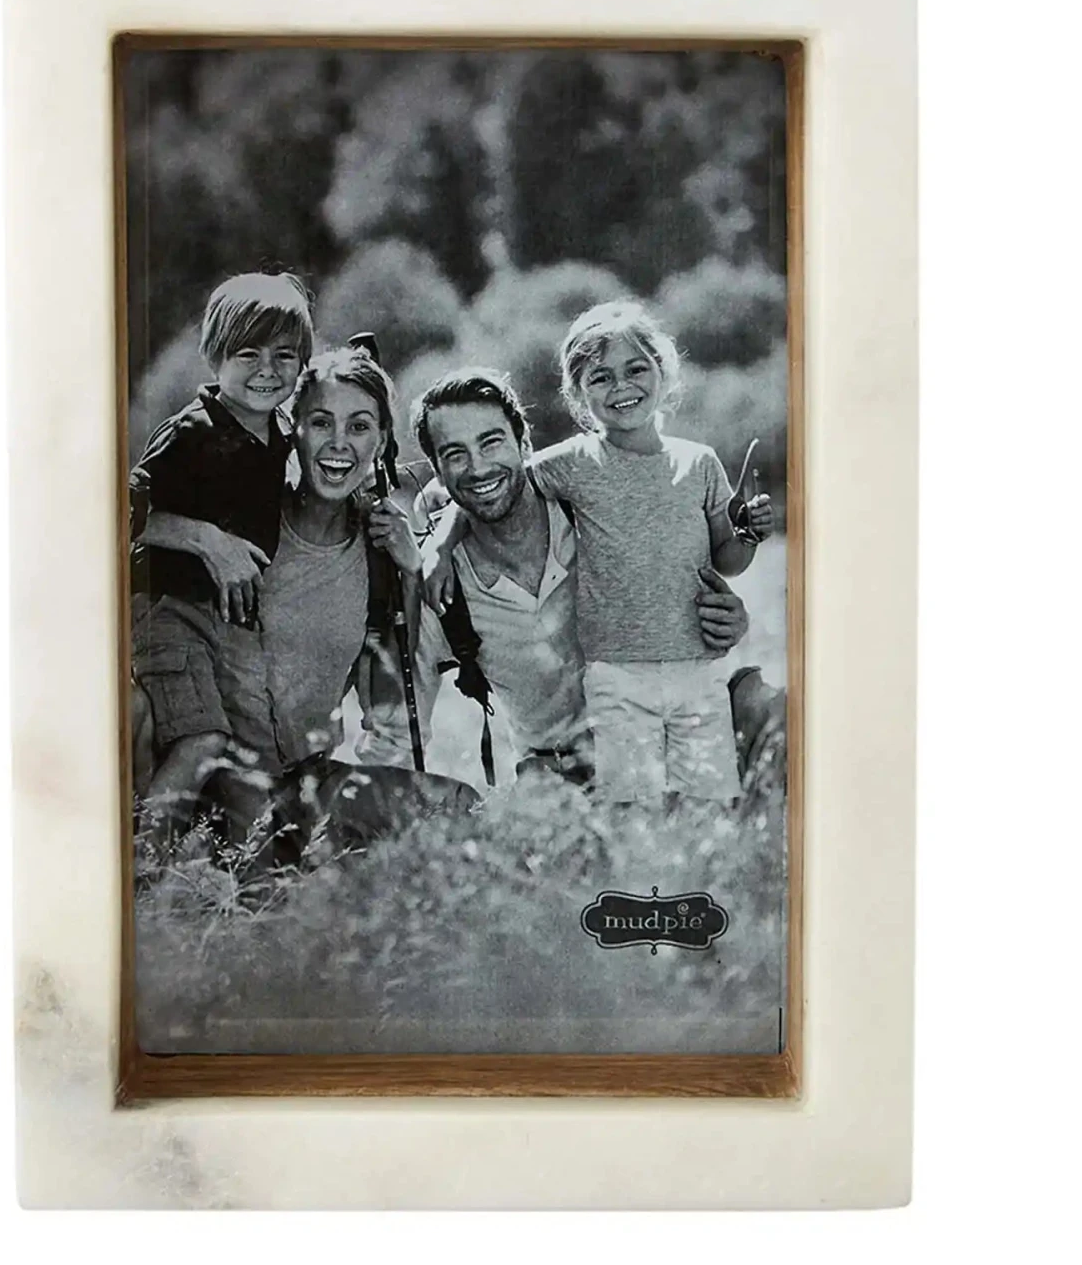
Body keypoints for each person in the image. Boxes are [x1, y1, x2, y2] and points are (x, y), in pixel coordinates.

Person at [426, 306, 774, 817]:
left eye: (636, 369)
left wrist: (747, 538)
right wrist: (440, 543)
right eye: (601, 377)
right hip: (613, 689)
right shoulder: (574, 465)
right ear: (578, 395)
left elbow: (728, 557)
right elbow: (493, 483)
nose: (621, 387)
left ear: (663, 371)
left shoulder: (698, 462)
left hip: (693, 667)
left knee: (713, 799)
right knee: (634, 810)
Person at [135, 347, 476, 857]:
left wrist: (410, 570)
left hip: (304, 782)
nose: (339, 443)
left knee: (459, 805)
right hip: (215, 777)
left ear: (382, 440)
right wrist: (206, 540)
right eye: (321, 422)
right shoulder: (243, 518)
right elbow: (128, 528)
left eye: (359, 426)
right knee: (267, 876)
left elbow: (390, 701)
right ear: (293, 429)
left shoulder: (378, 550)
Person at [382, 367, 751, 789]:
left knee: (765, 704)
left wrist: (729, 619)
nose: (478, 467)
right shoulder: (442, 586)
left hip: (671, 729)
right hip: (561, 773)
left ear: (524, 443)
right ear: (437, 471)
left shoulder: (594, 511)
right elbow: (398, 726)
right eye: (455, 454)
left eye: (491, 442)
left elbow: (698, 590)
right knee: (536, 805)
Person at [128, 272, 314, 809]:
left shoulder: (283, 435)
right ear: (215, 356)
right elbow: (120, 513)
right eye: (248, 354)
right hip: (171, 611)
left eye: (284, 356)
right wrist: (207, 539)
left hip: (232, 627)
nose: (267, 370)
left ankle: (220, 849)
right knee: (202, 741)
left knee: (249, 759)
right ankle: (148, 849)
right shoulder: (192, 433)